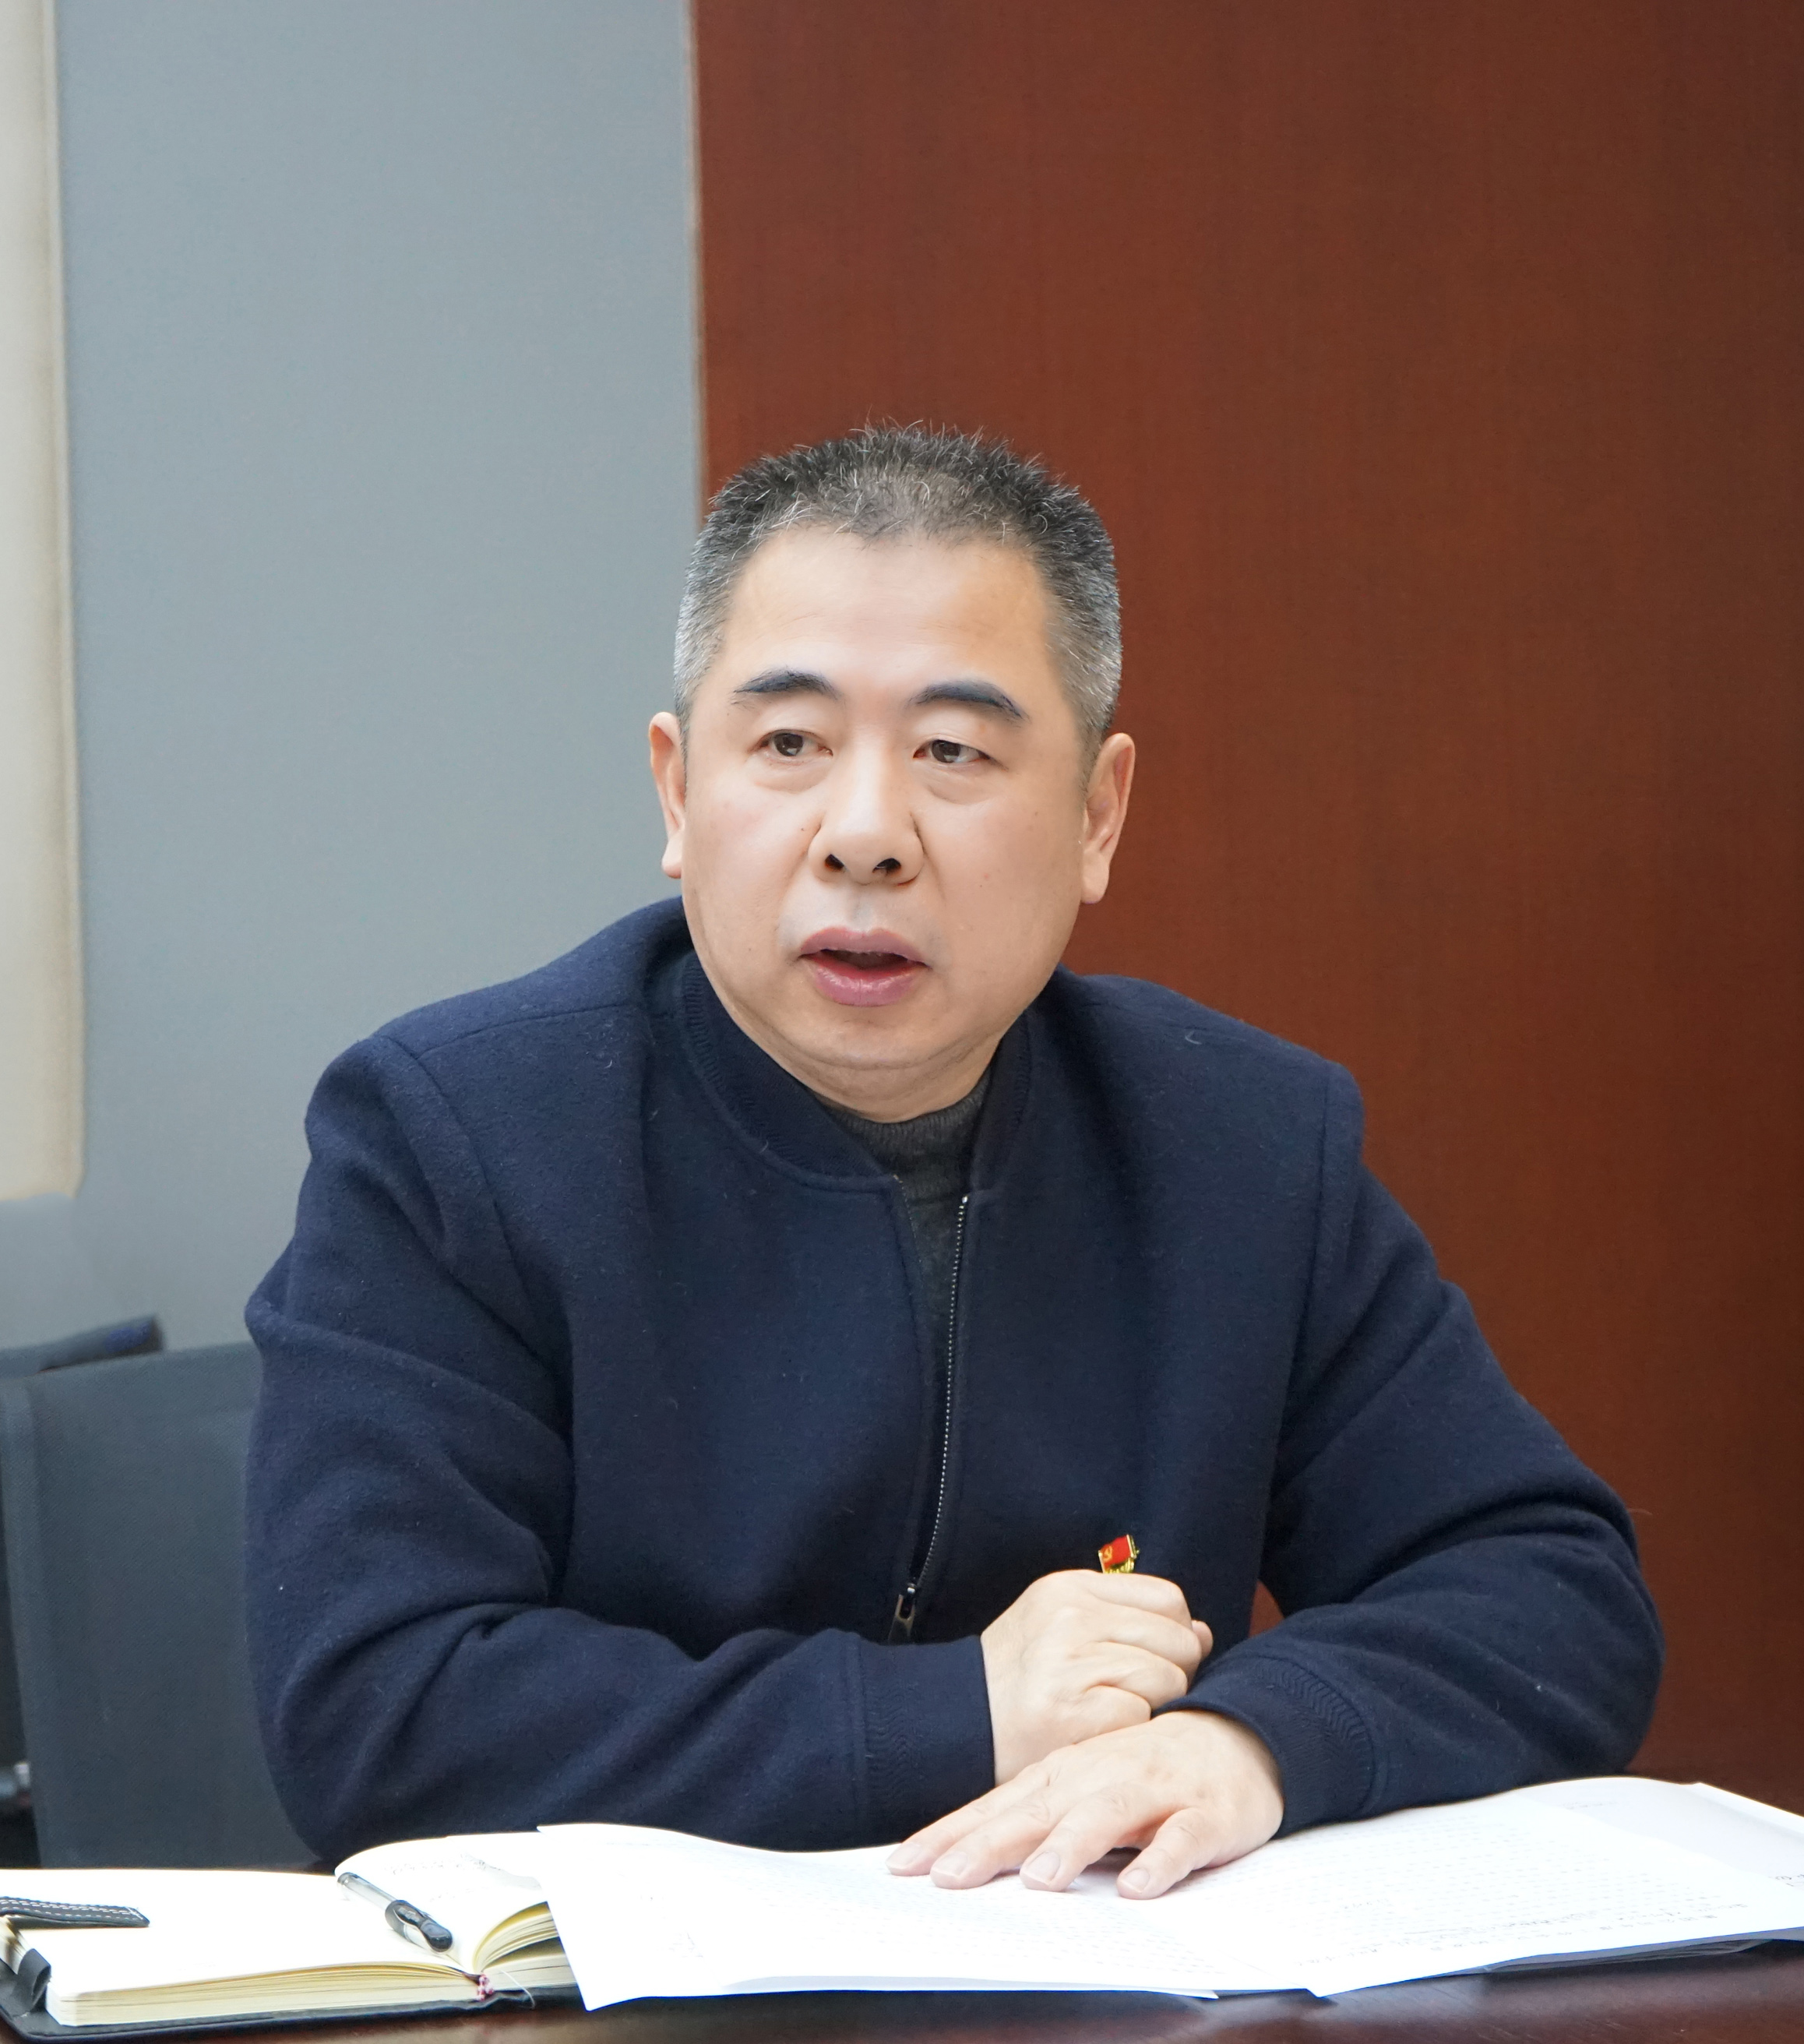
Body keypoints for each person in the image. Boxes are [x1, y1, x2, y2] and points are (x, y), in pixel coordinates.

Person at [245, 427, 1661, 1901]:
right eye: (788, 744)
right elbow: (380, 1714)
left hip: (1104, 1975)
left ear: (1098, 815)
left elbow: (1551, 1591)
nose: (865, 836)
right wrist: (964, 1713)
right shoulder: (456, 1138)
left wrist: (1250, 1742)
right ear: (677, 793)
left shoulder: (1240, 1146)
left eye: (954, 753)